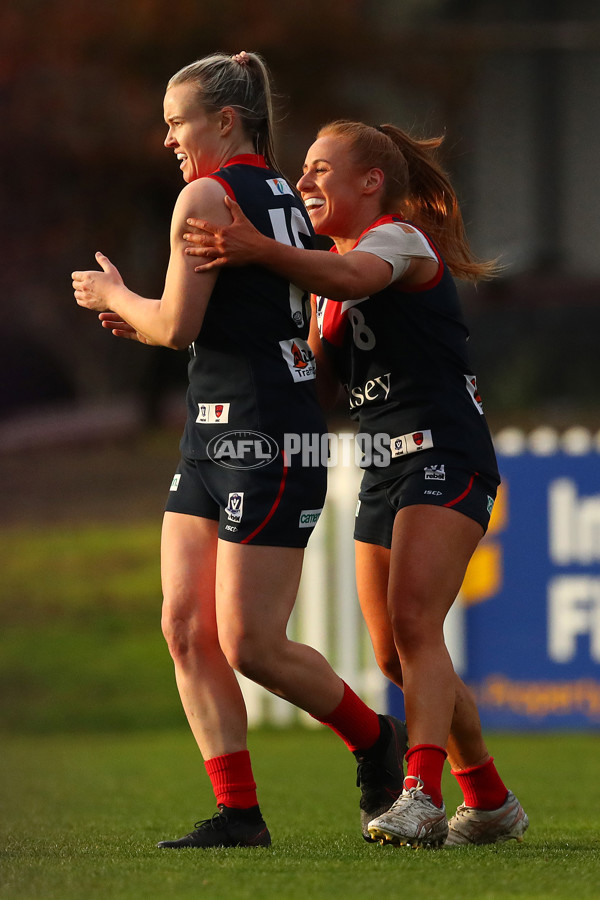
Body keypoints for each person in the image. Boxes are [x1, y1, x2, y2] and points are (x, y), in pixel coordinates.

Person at [72, 57, 407, 849]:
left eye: (177, 120)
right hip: (214, 431)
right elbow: (211, 319)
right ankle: (239, 813)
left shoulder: (209, 194)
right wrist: (146, 316)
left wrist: (113, 297)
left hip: (267, 434)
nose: (167, 138)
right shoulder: (284, 195)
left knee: (249, 641)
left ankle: (374, 737)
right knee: (184, 624)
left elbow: (178, 328)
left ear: (226, 121)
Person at [183, 119, 530, 848]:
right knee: (393, 654)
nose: (303, 182)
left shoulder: (399, 241)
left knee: (415, 626)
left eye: (319, 169)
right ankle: (491, 801)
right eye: (302, 170)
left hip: (445, 450)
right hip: (383, 465)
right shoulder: (321, 271)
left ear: (370, 183)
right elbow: (311, 367)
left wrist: (256, 248)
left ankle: (419, 797)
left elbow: (350, 276)